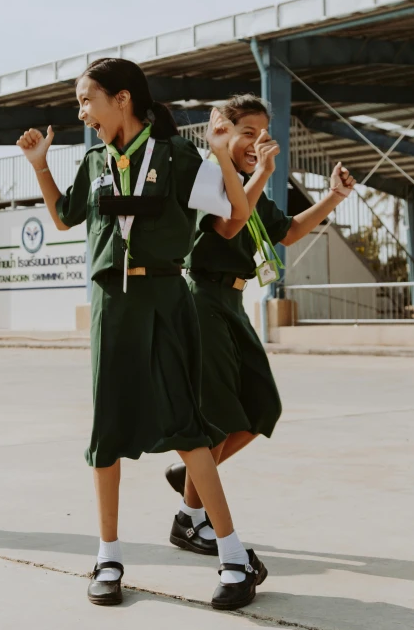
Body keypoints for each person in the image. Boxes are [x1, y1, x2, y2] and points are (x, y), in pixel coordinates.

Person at [17, 60, 267, 610]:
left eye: (88, 101)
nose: (83, 114)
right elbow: (64, 217)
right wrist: (39, 166)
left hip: (166, 300)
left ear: (122, 98)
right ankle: (108, 557)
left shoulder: (177, 156)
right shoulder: (92, 159)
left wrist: (222, 155)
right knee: (107, 430)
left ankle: (232, 557)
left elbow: (234, 217)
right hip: (112, 304)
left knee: (189, 427)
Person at [165, 94, 356, 555]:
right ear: (222, 128)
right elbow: (232, 224)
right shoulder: (208, 177)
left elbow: (287, 230)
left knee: (261, 408)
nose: (256, 143)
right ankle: (190, 520)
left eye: (262, 135)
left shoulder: (250, 182)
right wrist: (265, 175)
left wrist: (334, 196)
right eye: (247, 132)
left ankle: (193, 473)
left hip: (233, 302)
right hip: (203, 298)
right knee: (218, 418)